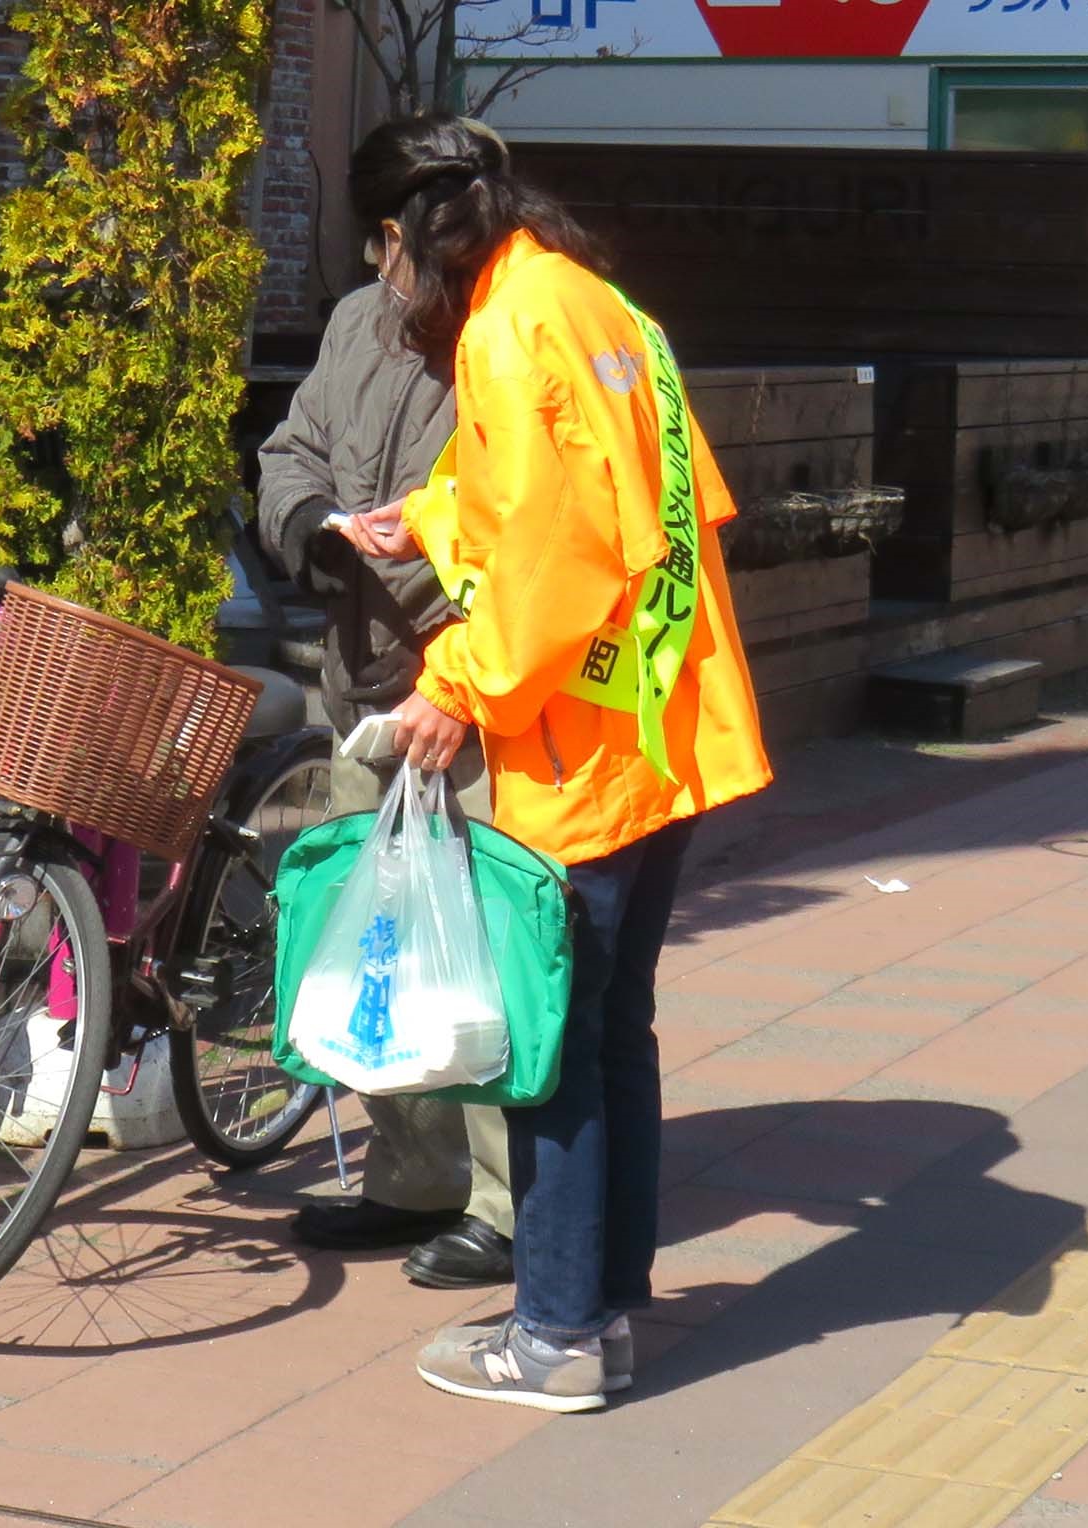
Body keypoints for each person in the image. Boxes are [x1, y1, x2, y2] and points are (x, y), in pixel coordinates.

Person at [331, 112, 773, 1412]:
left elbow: (552, 550)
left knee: (547, 1046)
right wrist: (417, 515)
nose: (381, 275)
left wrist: (453, 687)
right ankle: (604, 1311)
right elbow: (624, 490)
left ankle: (557, 1336)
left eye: (377, 245)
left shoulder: (504, 326)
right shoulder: (592, 304)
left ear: (408, 230)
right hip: (659, 720)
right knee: (611, 1027)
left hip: (578, 742)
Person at [256, 222, 515, 1290]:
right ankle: (412, 1180)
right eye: (390, 237)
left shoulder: (505, 332)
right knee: (379, 937)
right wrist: (319, 521)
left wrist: (459, 665)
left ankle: (504, 1208)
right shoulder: (357, 321)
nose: (391, 260)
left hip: (473, 689)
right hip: (359, 678)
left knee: (487, 952)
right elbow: (290, 448)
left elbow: (528, 527)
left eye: (409, 236)